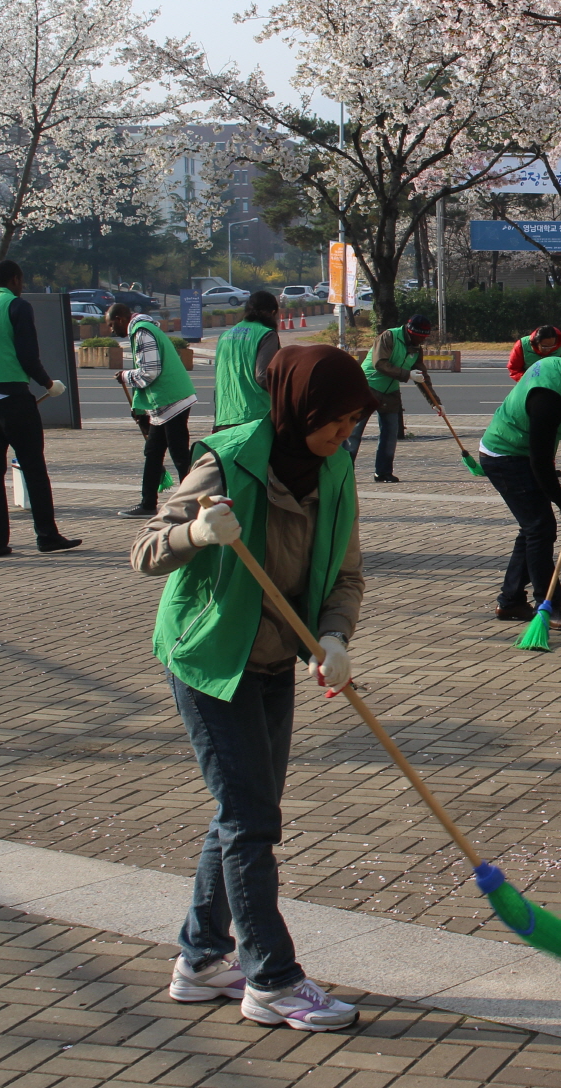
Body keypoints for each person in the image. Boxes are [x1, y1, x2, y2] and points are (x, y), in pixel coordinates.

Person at [131, 344, 379, 1033]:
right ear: (301, 407)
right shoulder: (226, 460)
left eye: (354, 421)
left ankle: (202, 958)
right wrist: (196, 533)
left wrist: (334, 638)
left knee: (245, 812)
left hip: (276, 660)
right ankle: (271, 978)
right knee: (251, 820)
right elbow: (146, 548)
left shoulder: (334, 472)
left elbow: (348, 574)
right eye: (336, 420)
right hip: (212, 662)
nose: (344, 434)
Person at [478, 346, 561, 629]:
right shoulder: (548, 397)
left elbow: (550, 421)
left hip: (516, 450)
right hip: (506, 456)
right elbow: (541, 462)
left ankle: (511, 600)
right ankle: (549, 605)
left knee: (534, 527)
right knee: (540, 527)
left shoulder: (556, 366)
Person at [0, 260, 78, 557]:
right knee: (33, 467)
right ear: (15, 279)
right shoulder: (17, 306)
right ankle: (46, 535)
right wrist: (47, 383)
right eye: (21, 281)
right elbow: (27, 355)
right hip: (12, 397)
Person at [111, 302, 198, 519]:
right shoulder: (144, 329)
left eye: (112, 325)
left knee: (179, 455)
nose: (112, 331)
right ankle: (148, 503)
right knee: (153, 452)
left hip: (172, 399)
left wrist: (125, 376)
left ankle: (196, 502)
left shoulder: (142, 332)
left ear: (121, 318)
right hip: (163, 403)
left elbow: (149, 372)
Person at [345, 314, 432, 483]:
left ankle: (383, 472)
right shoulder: (389, 337)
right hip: (368, 386)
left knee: (390, 433)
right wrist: (408, 374)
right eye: (420, 337)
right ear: (410, 331)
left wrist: (435, 403)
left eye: (424, 338)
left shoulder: (416, 348)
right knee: (354, 432)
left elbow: (422, 376)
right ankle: (344, 472)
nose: (421, 341)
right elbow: (380, 363)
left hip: (390, 391)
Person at [214, 291, 282, 431]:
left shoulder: (225, 335)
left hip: (225, 415)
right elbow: (263, 377)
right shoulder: (266, 334)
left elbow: (219, 377)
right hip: (256, 417)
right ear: (273, 312)